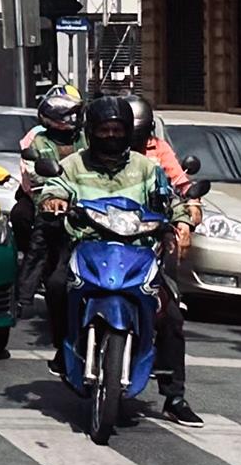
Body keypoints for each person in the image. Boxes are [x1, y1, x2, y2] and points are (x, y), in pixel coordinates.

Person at [32, 95, 201, 427]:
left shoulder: (147, 167)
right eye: (104, 130)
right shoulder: (74, 165)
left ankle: (174, 396)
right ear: (91, 132)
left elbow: (171, 200)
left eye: (117, 130)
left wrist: (183, 222)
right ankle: (64, 350)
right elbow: (53, 188)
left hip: (138, 252)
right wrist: (53, 201)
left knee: (170, 315)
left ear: (128, 132)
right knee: (55, 285)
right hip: (88, 248)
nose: (111, 135)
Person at [11, 84, 86, 318]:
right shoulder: (38, 141)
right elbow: (35, 175)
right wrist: (56, 195)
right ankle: (23, 299)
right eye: (70, 115)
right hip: (47, 201)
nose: (75, 119)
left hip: (84, 202)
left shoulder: (85, 139)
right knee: (39, 243)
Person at [127, 94, 193, 192]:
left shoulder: (158, 147)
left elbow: (178, 178)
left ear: (150, 128)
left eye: (140, 130)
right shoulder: (111, 148)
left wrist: (190, 195)